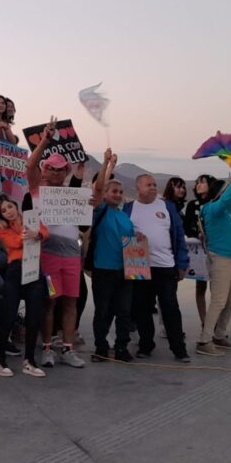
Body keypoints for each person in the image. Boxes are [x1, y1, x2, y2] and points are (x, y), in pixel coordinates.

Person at [27, 118, 87, 368]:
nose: (55, 172)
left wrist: (106, 165)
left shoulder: (74, 194)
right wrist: (45, 141)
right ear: (44, 170)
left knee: (71, 301)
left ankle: (68, 348)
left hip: (72, 256)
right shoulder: (37, 190)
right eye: (51, 168)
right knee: (50, 301)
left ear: (66, 172)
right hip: (48, 255)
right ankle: (48, 348)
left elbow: (97, 194)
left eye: (60, 169)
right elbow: (30, 165)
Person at [125, 174, 191, 362]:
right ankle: (146, 345)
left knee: (170, 307)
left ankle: (179, 349)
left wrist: (182, 263)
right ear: (138, 188)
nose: (153, 187)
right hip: (140, 267)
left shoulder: (167, 207)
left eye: (154, 184)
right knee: (142, 309)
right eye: (148, 185)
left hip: (166, 266)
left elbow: (179, 236)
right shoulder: (129, 209)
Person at [87, 151, 136, 362]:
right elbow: (97, 188)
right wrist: (107, 165)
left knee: (124, 311)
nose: (117, 194)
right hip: (103, 269)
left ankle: (122, 347)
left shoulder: (125, 216)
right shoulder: (100, 211)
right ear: (105, 194)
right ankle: (101, 347)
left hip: (126, 270)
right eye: (113, 191)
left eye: (120, 191)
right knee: (103, 312)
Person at [0, 194, 48, 377]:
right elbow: (13, 243)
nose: (8, 212)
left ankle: (29, 361)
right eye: (3, 211)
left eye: (9, 207)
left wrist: (37, 234)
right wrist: (28, 235)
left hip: (34, 268)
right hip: (15, 271)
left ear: (15, 206)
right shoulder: (3, 230)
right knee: (8, 316)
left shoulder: (32, 219)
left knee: (34, 318)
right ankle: (0, 360)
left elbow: (45, 233)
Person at [197, 166, 231, 356]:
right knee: (219, 300)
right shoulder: (212, 209)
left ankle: (219, 335)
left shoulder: (226, 211)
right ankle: (204, 340)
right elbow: (229, 197)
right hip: (220, 258)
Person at [183, 174, 215, 327]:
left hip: (216, 248)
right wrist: (197, 234)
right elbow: (187, 226)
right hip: (199, 250)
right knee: (201, 285)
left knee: (217, 287)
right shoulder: (192, 205)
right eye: (197, 183)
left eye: (202, 182)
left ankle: (214, 319)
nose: (198, 185)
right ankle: (204, 320)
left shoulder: (216, 203)